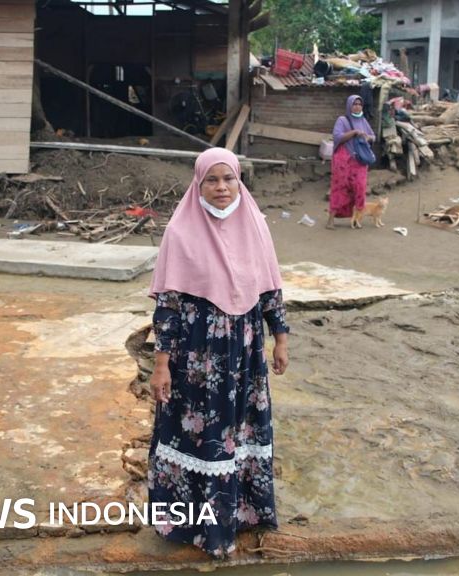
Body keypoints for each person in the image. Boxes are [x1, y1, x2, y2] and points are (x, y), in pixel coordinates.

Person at [147, 147, 290, 558]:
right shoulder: (181, 232)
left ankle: (243, 516)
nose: (222, 188)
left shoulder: (256, 226)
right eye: (212, 180)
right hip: (196, 355)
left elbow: (270, 289)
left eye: (229, 179)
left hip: (245, 352)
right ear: (199, 183)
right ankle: (199, 530)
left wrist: (279, 338)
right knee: (201, 436)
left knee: (241, 431)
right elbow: (168, 306)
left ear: (239, 181)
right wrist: (161, 365)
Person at [327, 95, 376, 229]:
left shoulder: (363, 121)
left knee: (359, 188)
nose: (357, 106)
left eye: (360, 104)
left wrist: (367, 137)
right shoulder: (342, 120)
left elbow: (373, 136)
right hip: (343, 162)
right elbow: (337, 137)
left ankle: (356, 219)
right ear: (349, 106)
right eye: (354, 104)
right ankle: (330, 220)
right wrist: (353, 132)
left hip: (359, 162)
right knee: (339, 189)